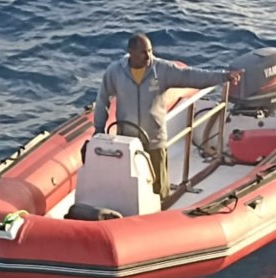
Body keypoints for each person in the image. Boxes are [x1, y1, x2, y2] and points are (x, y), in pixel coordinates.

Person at [93, 33, 243, 199]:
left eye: (150, 51)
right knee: (129, 186)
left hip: (154, 139)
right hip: (127, 141)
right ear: (131, 51)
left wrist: (223, 76)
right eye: (143, 52)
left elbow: (191, 76)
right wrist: (99, 128)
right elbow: (102, 100)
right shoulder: (115, 72)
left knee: (159, 189)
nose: (148, 56)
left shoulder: (161, 69)